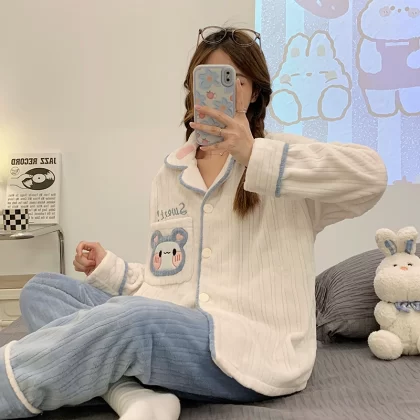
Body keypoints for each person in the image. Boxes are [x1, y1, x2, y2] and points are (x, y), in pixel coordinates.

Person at [0, 27, 387, 420]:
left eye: (232, 79)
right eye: (206, 79)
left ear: (254, 92)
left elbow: (371, 176)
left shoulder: (283, 157)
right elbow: (169, 283)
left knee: (133, 322)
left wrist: (254, 155)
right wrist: (109, 267)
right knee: (42, 290)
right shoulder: (171, 174)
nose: (219, 90)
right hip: (172, 324)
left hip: (247, 349)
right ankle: (131, 395)